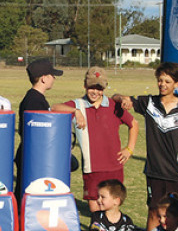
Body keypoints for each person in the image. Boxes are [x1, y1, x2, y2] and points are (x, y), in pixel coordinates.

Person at [116, 61, 178, 216]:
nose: (162, 84)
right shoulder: (148, 103)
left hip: (176, 174)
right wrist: (123, 99)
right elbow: (116, 96)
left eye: (168, 82)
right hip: (154, 172)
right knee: (154, 213)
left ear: (177, 84)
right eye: (160, 80)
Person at [53, 67, 138, 213]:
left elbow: (134, 124)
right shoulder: (78, 104)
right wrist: (75, 112)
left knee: (112, 208)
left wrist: (129, 149)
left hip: (114, 167)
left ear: (104, 88)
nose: (95, 92)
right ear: (85, 85)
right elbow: (54, 108)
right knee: (95, 209)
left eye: (99, 88)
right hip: (92, 169)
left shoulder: (113, 105)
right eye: (91, 87)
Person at [15, 58, 61, 199]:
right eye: (51, 75)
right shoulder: (34, 101)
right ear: (43, 78)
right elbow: (38, 134)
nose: (54, 78)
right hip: (32, 157)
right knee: (27, 195)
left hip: (32, 155)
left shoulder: (36, 98)